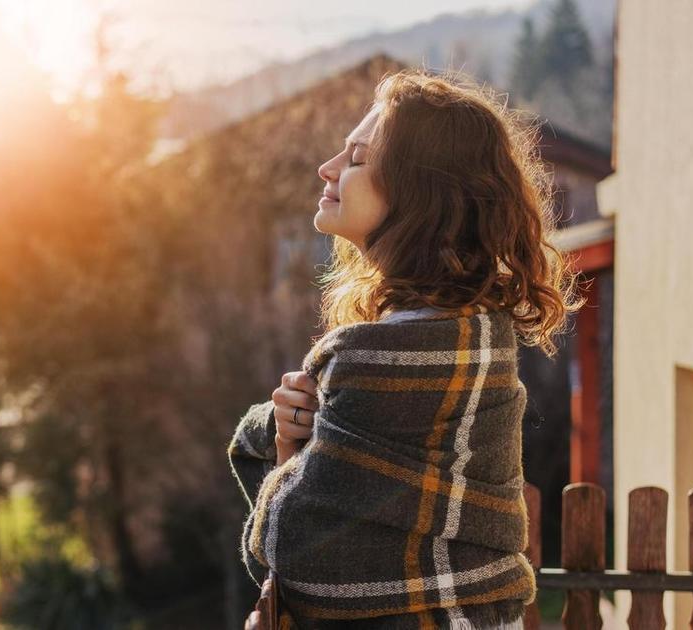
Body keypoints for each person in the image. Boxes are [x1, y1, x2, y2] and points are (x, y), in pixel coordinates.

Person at [231, 68, 584, 629]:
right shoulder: (481, 331)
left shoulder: (378, 356)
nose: (328, 168)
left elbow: (292, 549)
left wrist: (284, 452)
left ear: (417, 191)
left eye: (357, 158)